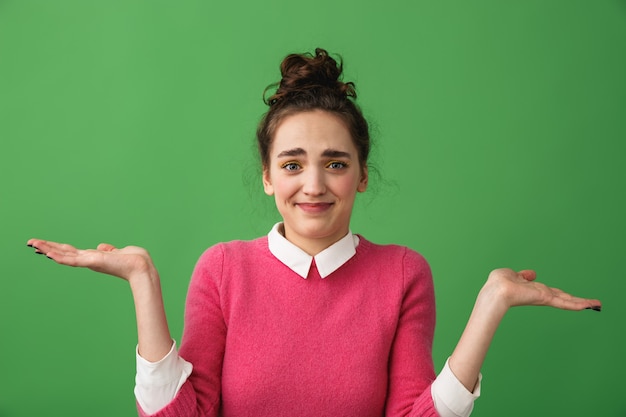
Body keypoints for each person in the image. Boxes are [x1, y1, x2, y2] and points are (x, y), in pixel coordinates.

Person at [27, 48, 601, 417]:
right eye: (293, 164)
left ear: (362, 175)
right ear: (269, 176)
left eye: (335, 162)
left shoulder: (403, 273)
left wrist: (491, 304)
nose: (314, 185)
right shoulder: (224, 268)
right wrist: (141, 278)